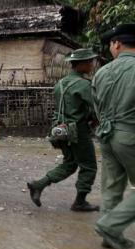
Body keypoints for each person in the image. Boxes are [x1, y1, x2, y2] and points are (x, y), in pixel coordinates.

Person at [27, 48, 99, 212]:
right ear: (79, 64)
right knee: (88, 166)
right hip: (78, 130)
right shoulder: (83, 84)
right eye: (88, 61)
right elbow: (96, 108)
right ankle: (80, 201)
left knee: (70, 163)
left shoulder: (61, 83)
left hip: (62, 128)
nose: (91, 64)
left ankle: (38, 185)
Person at [92, 23, 135, 249]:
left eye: (110, 45)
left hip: (106, 135)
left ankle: (111, 236)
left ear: (117, 44)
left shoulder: (101, 72)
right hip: (130, 135)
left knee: (111, 186)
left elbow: (97, 107)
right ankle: (110, 226)